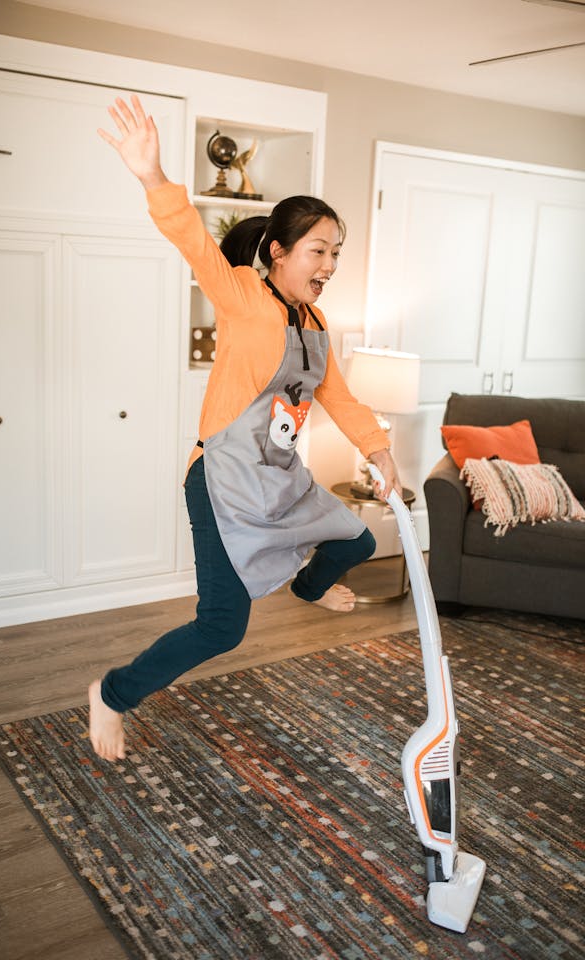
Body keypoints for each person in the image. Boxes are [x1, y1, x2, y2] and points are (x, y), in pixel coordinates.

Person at [89, 95, 401, 762]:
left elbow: (338, 396)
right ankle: (112, 694)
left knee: (356, 537)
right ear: (278, 252)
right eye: (318, 251)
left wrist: (379, 451)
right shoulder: (242, 297)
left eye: (336, 253)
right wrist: (152, 175)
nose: (330, 265)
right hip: (223, 481)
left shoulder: (317, 324)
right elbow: (192, 240)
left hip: (280, 477)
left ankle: (308, 587)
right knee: (221, 629)